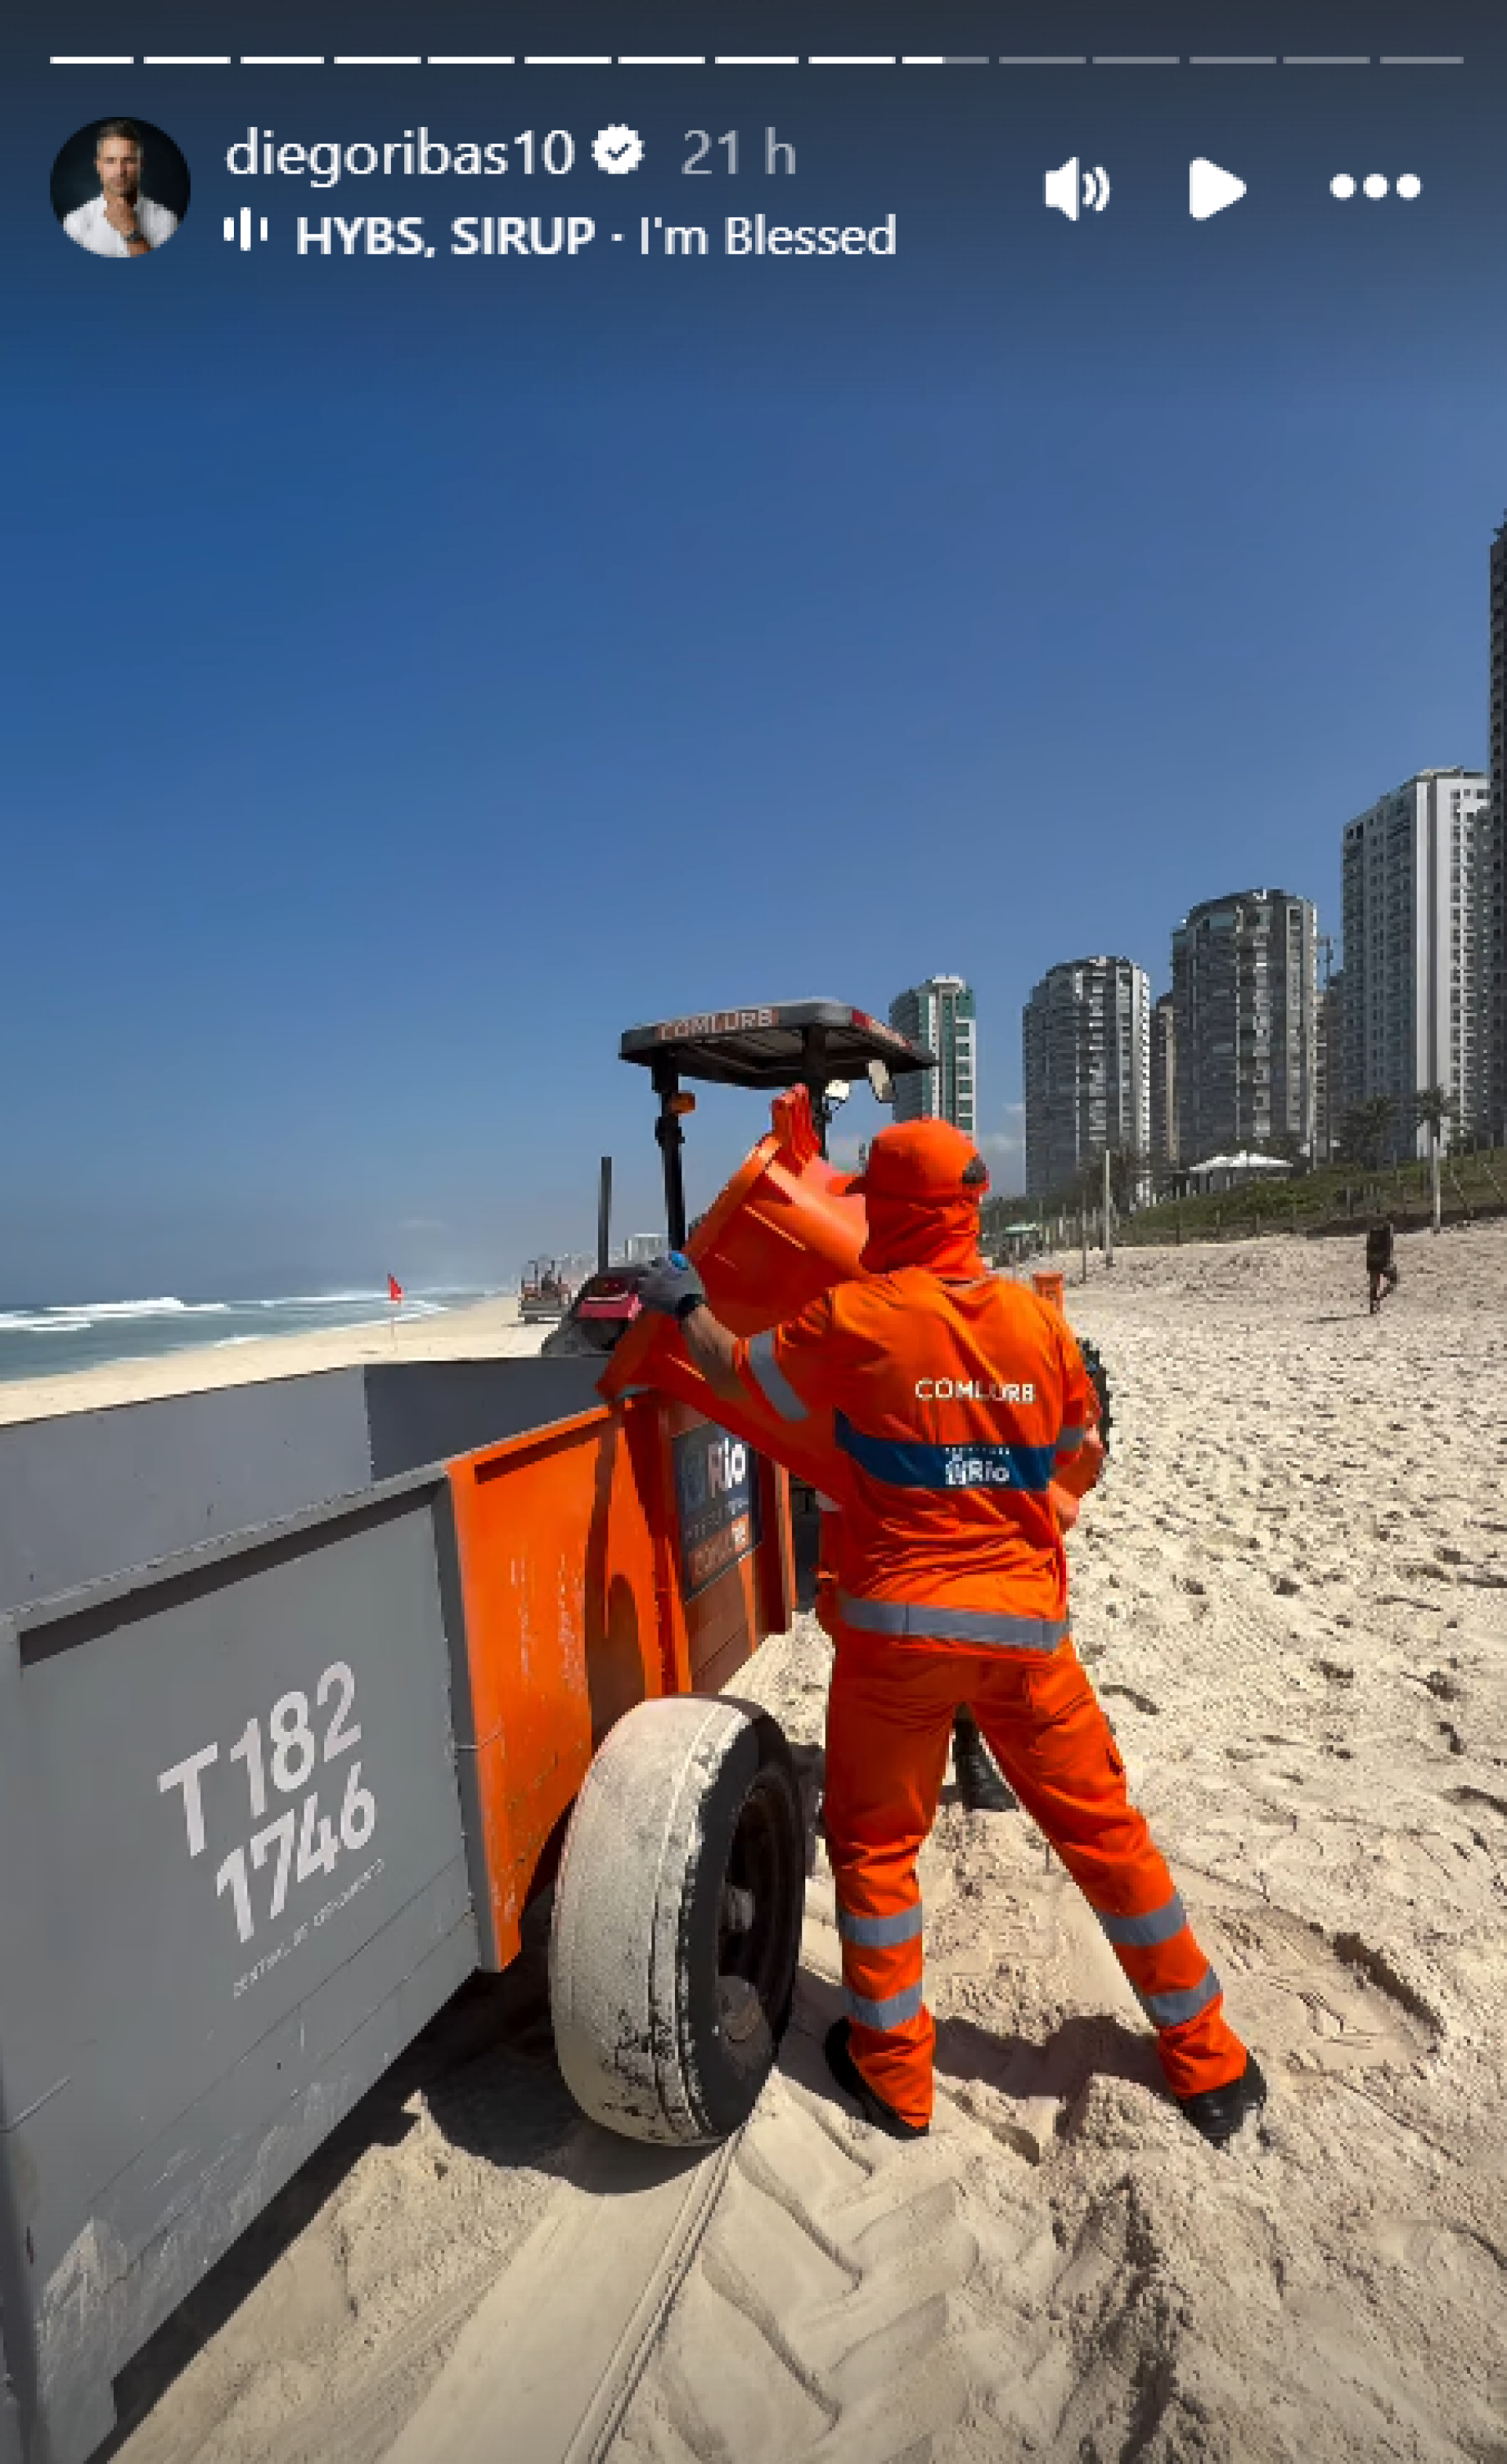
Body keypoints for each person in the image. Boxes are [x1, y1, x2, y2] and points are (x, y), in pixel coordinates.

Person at [640, 1117, 1265, 2149]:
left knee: (878, 1846)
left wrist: (684, 1301)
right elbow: (1078, 1456)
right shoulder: (1036, 1322)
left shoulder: (856, 1314)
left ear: (886, 1210)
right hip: (1025, 1633)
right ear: (970, 1209)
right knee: (1106, 1836)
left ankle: (896, 2076)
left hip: (899, 1641)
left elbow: (740, 1373)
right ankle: (1209, 2057)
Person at [63, 122, 179, 258]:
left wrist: (130, 231)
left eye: (128, 160)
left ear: (141, 165)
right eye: (110, 161)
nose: (119, 171)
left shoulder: (165, 220)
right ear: (98, 166)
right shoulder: (75, 222)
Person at [1366, 1216, 1399, 1314]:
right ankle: (1378, 1300)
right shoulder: (1388, 1230)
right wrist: (1389, 1261)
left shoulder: (1372, 1231)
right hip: (1383, 1261)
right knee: (1394, 1280)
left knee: (1374, 1284)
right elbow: (1389, 1247)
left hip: (1371, 1260)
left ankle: (1373, 1305)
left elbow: (1368, 1246)